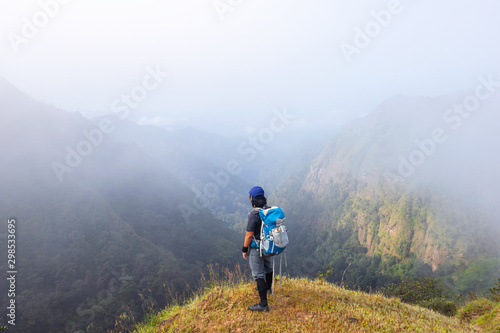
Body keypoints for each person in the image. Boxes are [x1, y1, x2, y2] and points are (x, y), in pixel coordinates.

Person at [242, 186, 273, 311]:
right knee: (268, 268)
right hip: (268, 246)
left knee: (258, 274)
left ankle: (263, 304)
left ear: (252, 198)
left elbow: (249, 235)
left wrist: (244, 249)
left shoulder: (253, 214)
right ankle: (268, 288)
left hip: (257, 248)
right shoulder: (268, 211)